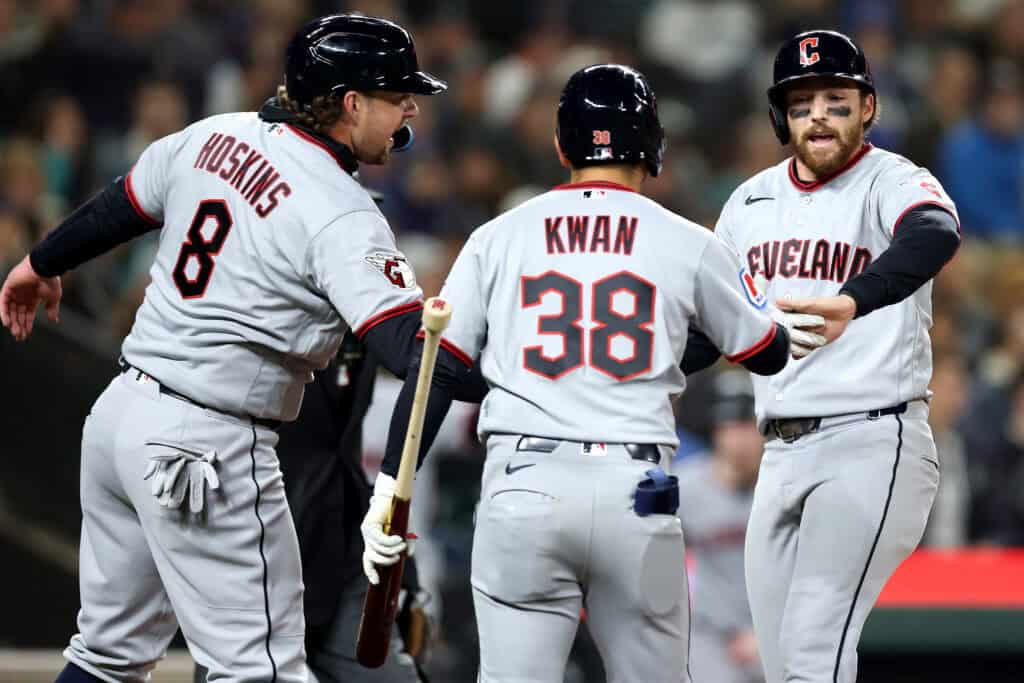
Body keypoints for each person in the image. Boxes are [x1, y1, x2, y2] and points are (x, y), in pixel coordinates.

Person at [0, 14, 455, 683]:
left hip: (123, 416)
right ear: (351, 103)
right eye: (396, 96)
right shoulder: (341, 210)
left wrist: (39, 262)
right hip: (208, 442)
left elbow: (124, 203)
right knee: (260, 671)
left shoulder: (215, 134)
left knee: (105, 656)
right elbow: (403, 349)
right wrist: (490, 355)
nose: (410, 108)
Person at [361, 64, 799, 683]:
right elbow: (768, 351)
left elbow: (438, 373)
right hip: (637, 492)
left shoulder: (498, 236)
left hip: (523, 483)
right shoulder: (687, 241)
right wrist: (674, 344)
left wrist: (388, 493)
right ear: (654, 149)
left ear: (562, 145)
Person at [711, 30, 961, 683]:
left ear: (868, 107)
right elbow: (710, 319)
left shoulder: (892, 178)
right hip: (780, 450)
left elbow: (935, 232)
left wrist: (856, 297)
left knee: (814, 656)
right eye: (801, 102)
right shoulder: (748, 202)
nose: (818, 113)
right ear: (781, 117)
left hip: (873, 438)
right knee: (786, 665)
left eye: (835, 98)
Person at [676, 370, 765, 683]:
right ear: (715, 430)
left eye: (748, 426)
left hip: (775, 630)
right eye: (730, 426)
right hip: (709, 634)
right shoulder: (686, 486)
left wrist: (765, 635)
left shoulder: (786, 488)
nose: (740, 439)